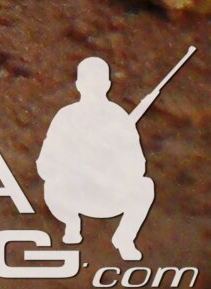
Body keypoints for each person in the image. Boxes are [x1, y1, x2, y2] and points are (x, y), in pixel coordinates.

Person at [37, 57, 159, 261]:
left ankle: (124, 238)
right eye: (88, 81)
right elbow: (45, 164)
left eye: (99, 82)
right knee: (52, 186)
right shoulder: (66, 116)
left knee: (145, 187)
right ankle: (71, 224)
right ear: (79, 84)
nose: (93, 87)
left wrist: (112, 162)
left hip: (110, 194)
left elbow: (138, 165)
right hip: (73, 194)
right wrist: (75, 165)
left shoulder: (119, 119)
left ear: (107, 85)